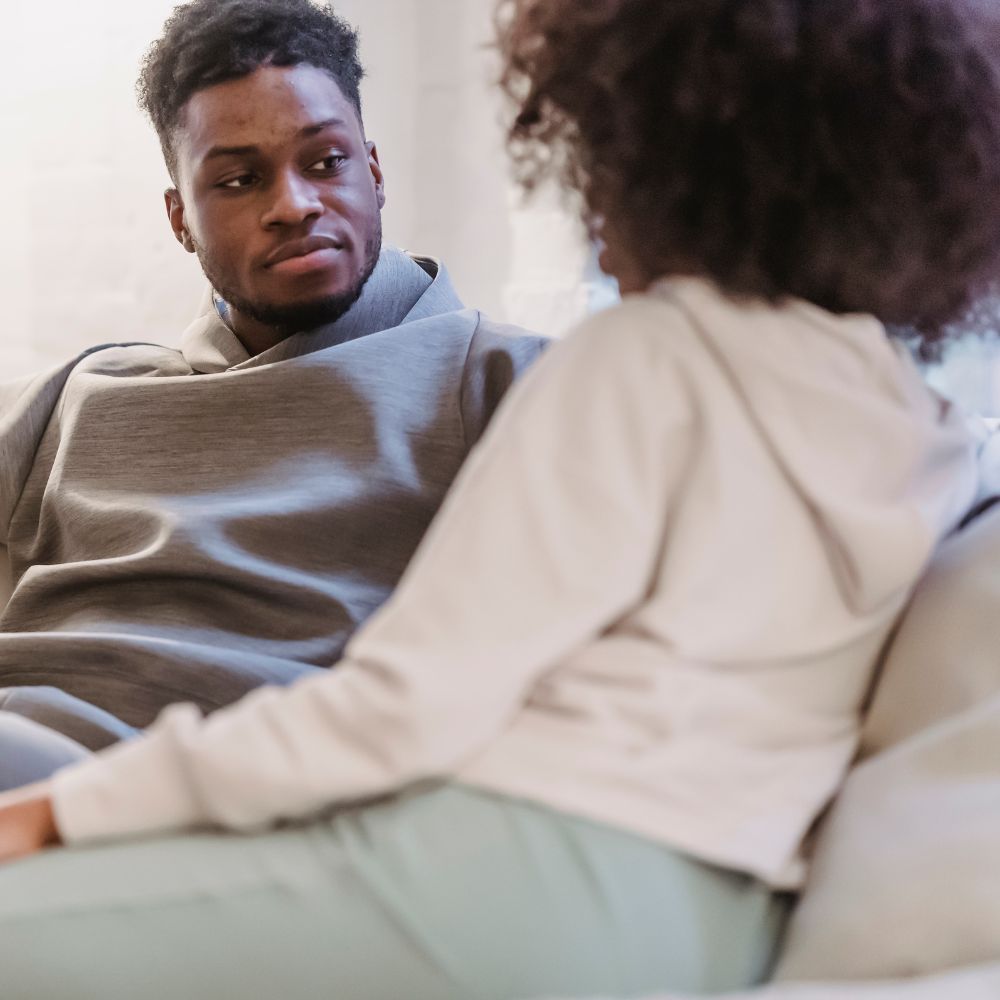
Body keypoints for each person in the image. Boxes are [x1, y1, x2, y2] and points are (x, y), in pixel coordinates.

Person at [1, 0, 998, 997]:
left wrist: (62, 814)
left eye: (597, 160)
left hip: (508, 867)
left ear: (670, 163)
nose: (587, 200)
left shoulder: (633, 358)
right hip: (713, 911)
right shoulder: (920, 430)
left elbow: (403, 707)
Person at [0, 0, 546, 791]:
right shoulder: (81, 393)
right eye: (239, 180)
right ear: (180, 218)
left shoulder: (501, 381)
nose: (292, 204)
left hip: (186, 798)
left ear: (375, 171)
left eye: (325, 162)